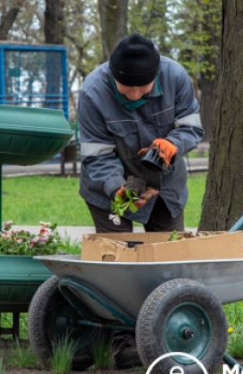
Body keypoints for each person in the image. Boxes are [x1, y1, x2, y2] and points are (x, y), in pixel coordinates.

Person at [78, 32, 204, 234]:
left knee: (167, 255)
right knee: (117, 254)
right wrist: (120, 191)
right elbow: (97, 155)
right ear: (113, 76)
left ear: (156, 75)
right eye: (126, 89)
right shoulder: (93, 92)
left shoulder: (176, 77)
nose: (135, 94)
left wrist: (173, 144)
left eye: (143, 88)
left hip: (165, 187)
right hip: (109, 186)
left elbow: (192, 128)